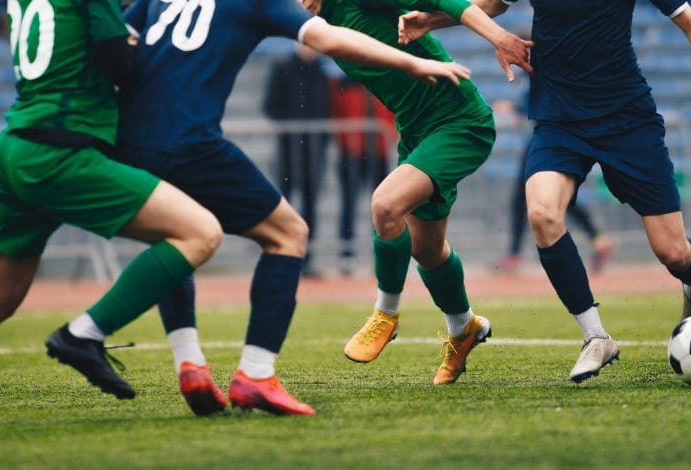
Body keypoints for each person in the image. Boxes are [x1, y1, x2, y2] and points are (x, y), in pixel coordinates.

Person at [116, 0, 472, 415]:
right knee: (289, 232)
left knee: (176, 238)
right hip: (195, 141)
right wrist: (413, 63)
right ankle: (252, 371)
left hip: (130, 134)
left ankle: (188, 361)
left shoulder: (152, 5)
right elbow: (327, 36)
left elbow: (115, 48)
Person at [400, 0, 691, 382]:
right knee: (542, 214)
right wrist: (430, 21)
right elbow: (490, 5)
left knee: (673, 252)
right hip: (559, 118)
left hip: (627, 119)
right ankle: (595, 336)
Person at [0, 0, 222, 401]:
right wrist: (129, 42)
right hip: (62, 151)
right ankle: (82, 335)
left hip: (16, 145)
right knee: (199, 233)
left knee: (1, 301)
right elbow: (120, 64)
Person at [315, 0, 532, 385]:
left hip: (458, 121)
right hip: (415, 132)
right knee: (427, 250)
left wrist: (500, 38)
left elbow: (449, 1)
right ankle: (464, 328)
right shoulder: (318, 26)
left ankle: (386, 314)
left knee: (385, 205)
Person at [492, 93, 616, 275]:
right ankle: (598, 238)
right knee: (548, 198)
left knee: (530, 196)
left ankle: (514, 254)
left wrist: (513, 108)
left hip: (547, 138)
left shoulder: (539, 70)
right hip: (548, 136)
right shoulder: (531, 75)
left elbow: (539, 101)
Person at [263, 44, 332, 277]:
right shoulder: (283, 67)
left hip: (313, 152)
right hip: (288, 150)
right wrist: (293, 129)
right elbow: (271, 106)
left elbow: (326, 109)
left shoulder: (320, 71)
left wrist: (319, 139)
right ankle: (283, 257)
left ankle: (307, 259)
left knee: (310, 205)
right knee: (285, 204)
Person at [328, 76, 396, 276]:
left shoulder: (383, 81)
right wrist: (346, 141)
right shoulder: (343, 84)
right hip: (352, 153)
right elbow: (337, 115)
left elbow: (393, 112)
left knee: (382, 206)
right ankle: (346, 254)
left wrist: (391, 133)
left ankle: (380, 252)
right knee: (349, 202)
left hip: (379, 152)